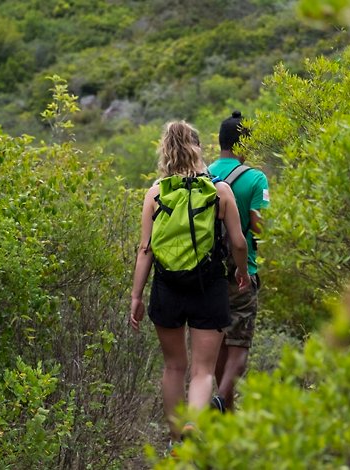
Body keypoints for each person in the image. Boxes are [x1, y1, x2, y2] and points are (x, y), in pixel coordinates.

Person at [129, 120, 249, 445]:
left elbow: (146, 249)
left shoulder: (155, 193)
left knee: (173, 367)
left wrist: (136, 296)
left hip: (167, 287)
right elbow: (238, 242)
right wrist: (242, 271)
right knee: (203, 370)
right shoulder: (219, 190)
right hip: (208, 287)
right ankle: (194, 424)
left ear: (165, 150)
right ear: (198, 148)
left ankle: (175, 441)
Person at [208, 111, 270, 412]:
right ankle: (221, 399)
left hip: (208, 274)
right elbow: (258, 226)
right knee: (239, 344)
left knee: (218, 342)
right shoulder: (255, 178)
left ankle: (225, 414)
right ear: (244, 142)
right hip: (243, 270)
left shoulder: (205, 175)